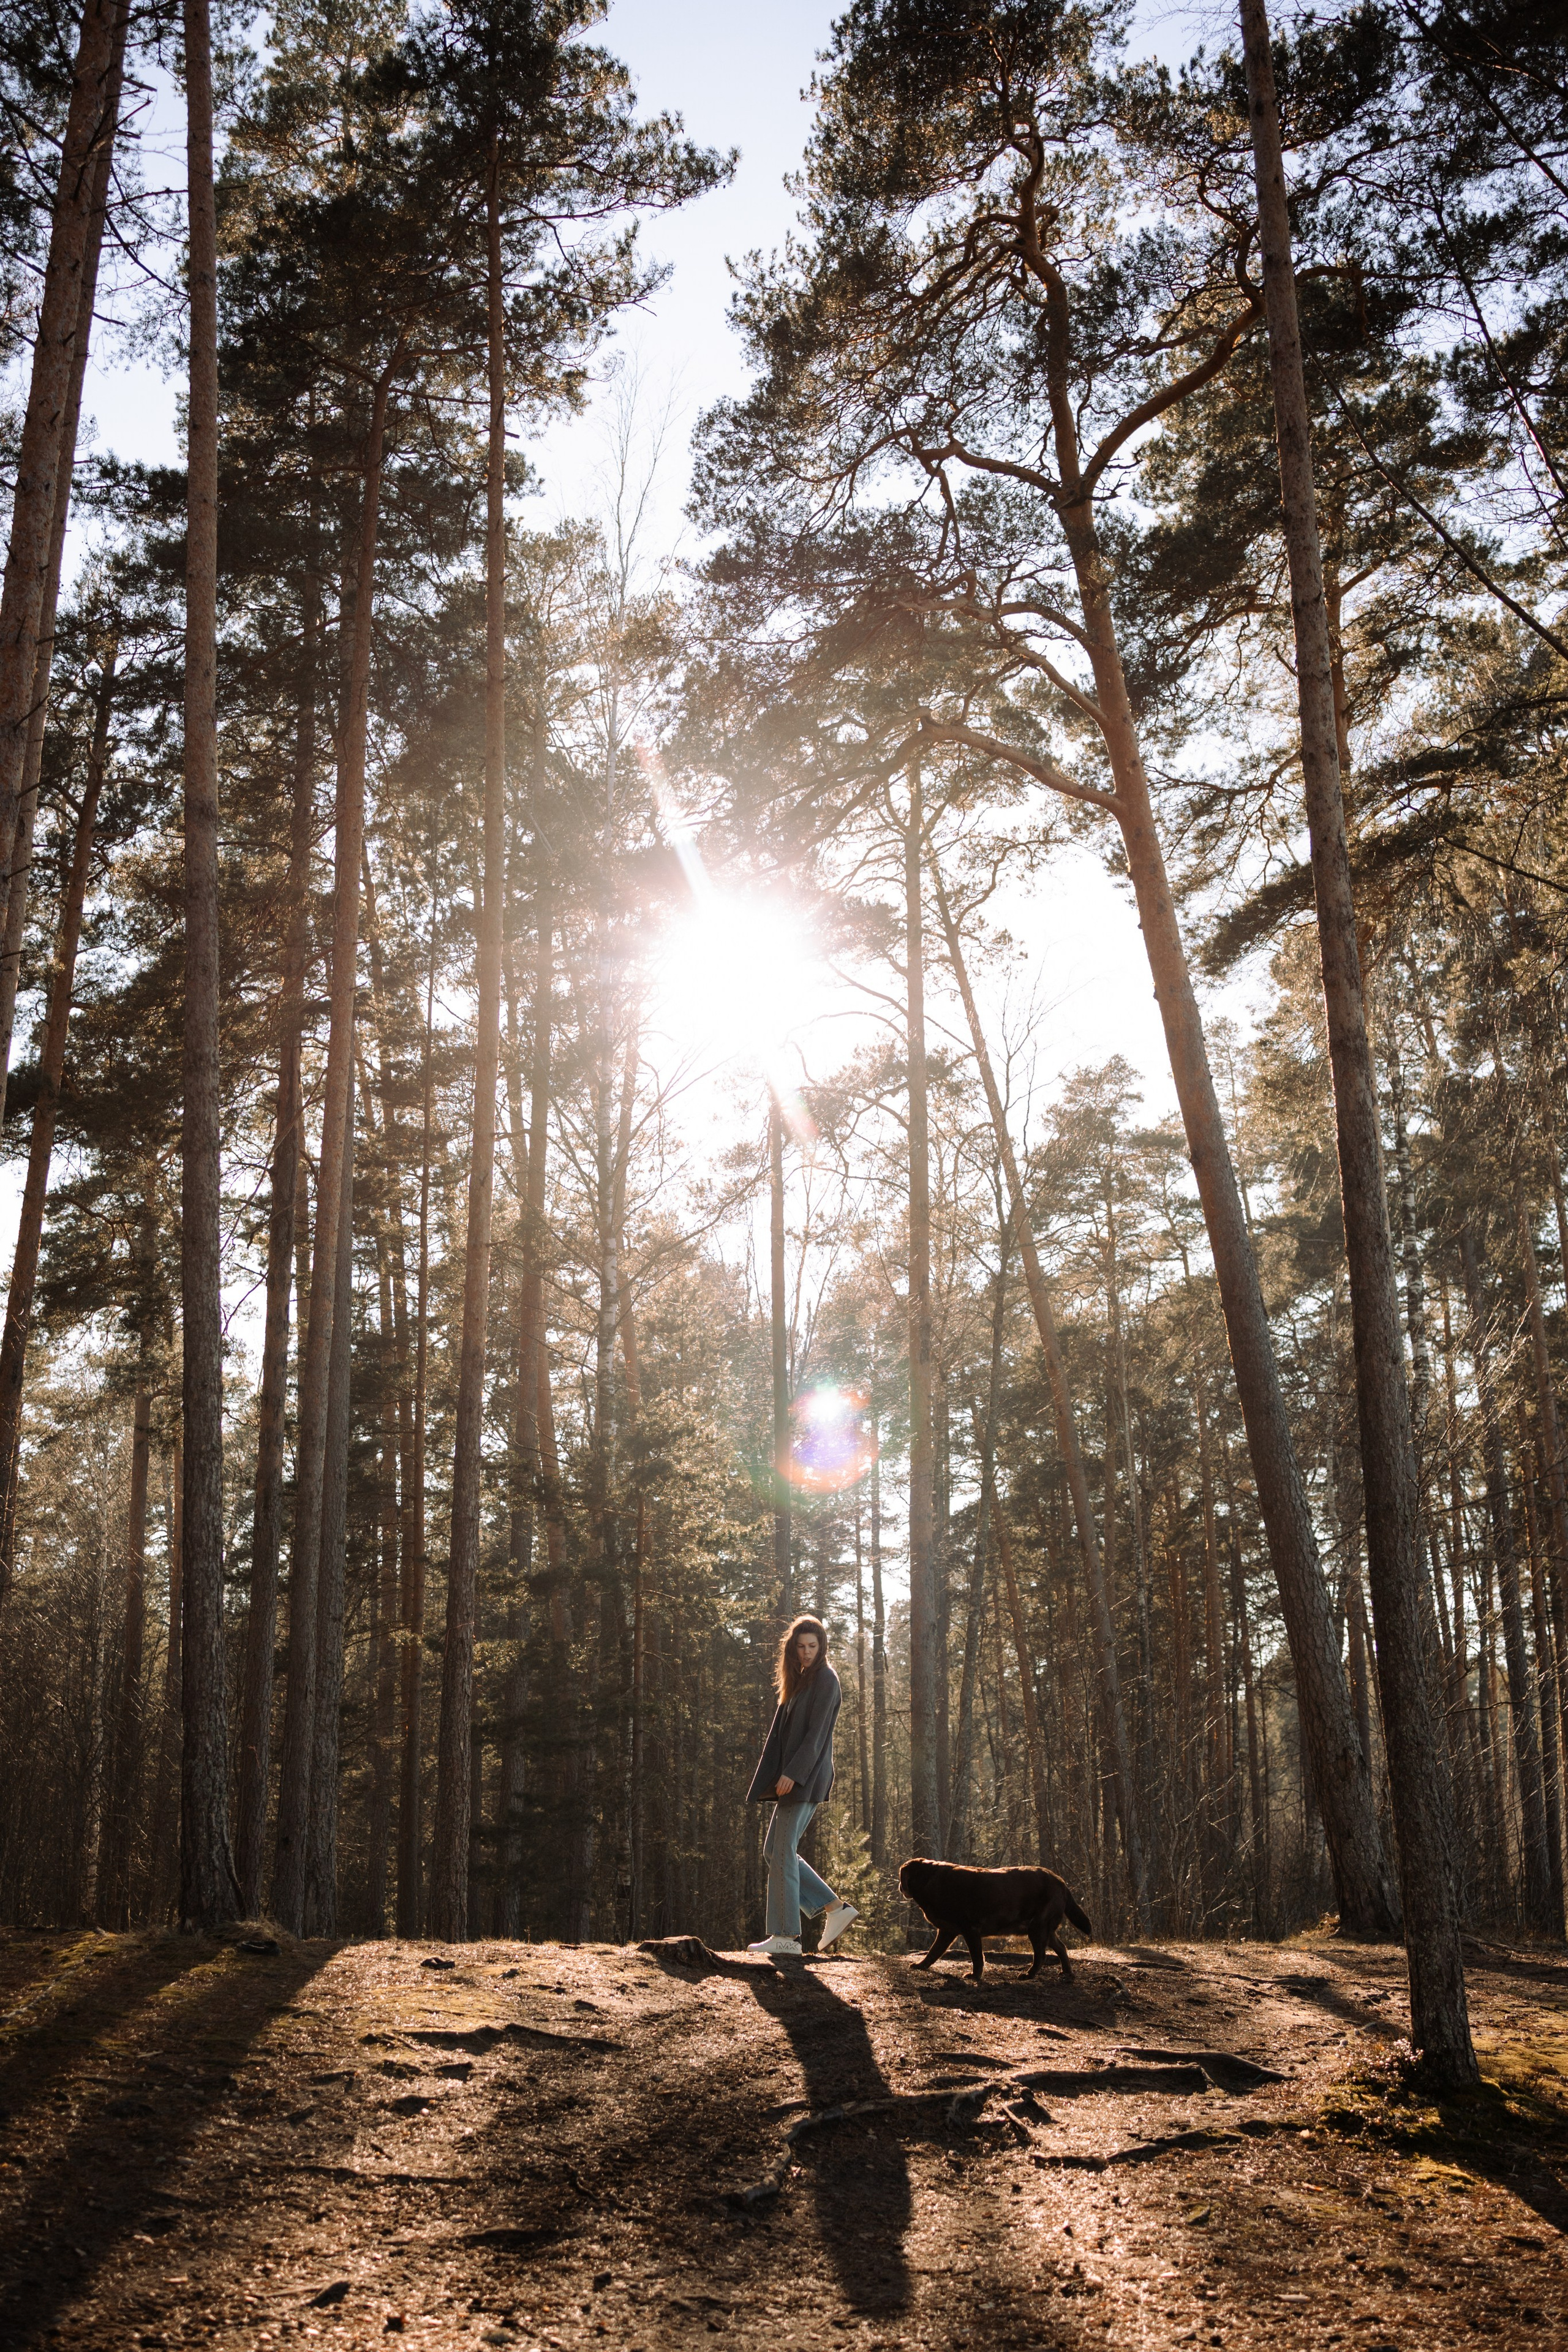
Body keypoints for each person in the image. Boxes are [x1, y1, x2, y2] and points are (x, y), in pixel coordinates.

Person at [745, 1613, 859, 1957]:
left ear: (822, 1647)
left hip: (806, 1778)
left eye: (813, 1646)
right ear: (793, 1649)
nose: (807, 1652)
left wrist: (794, 1773)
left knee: (781, 1852)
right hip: (794, 1777)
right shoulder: (801, 1680)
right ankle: (834, 1908)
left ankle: (786, 1936)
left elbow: (817, 1734)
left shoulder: (826, 1679)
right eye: (801, 1646)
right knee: (774, 1851)